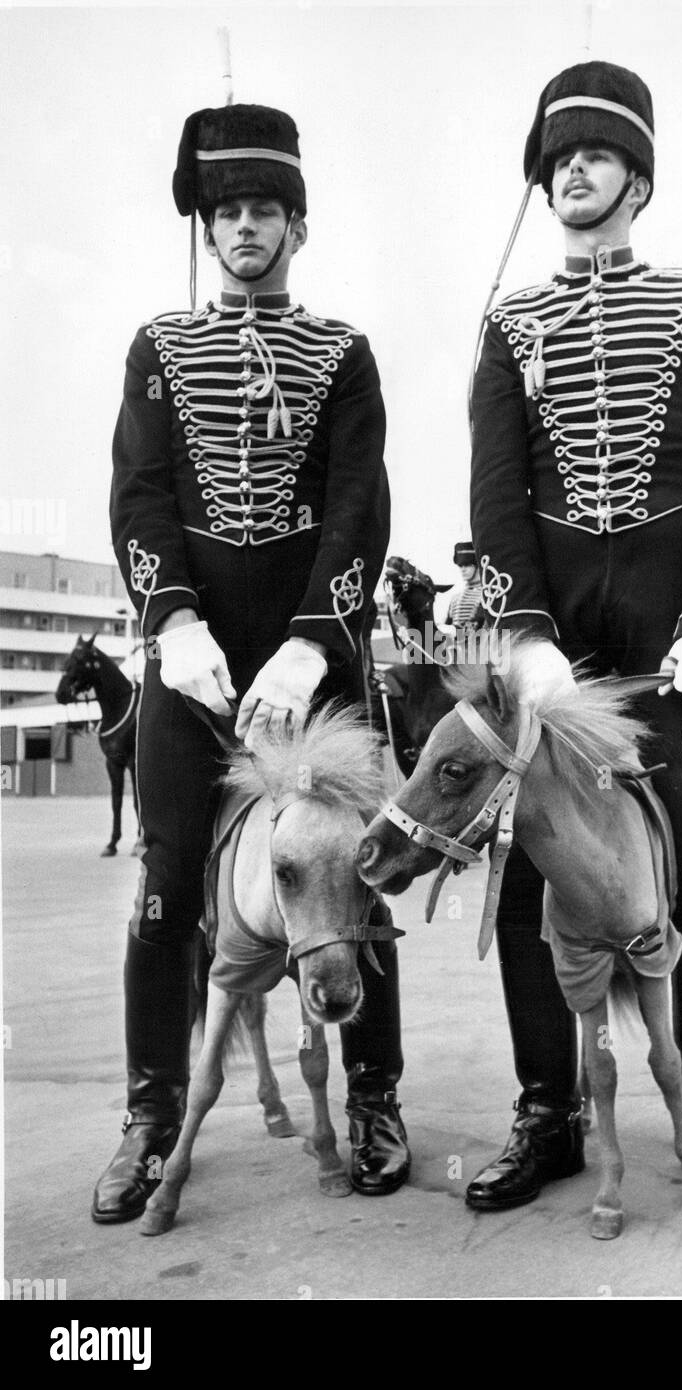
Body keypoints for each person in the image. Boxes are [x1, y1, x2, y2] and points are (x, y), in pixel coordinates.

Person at [468, 60, 682, 1214]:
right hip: (556, 654)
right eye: (559, 154)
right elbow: (499, 497)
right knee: (532, 874)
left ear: (637, 177)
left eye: (597, 152)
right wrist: (522, 631)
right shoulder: (509, 326)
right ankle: (548, 1110)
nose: (573, 168)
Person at [93, 103, 409, 1223]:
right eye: (226, 210)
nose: (243, 227)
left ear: (296, 225)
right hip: (190, 670)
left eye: (264, 209)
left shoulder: (345, 352)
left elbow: (358, 506)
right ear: (207, 226)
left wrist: (313, 644)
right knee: (170, 884)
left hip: (309, 666)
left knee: (351, 877)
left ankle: (373, 1093)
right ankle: (148, 1109)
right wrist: (173, 624)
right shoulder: (157, 350)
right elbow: (141, 495)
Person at [434, 542, 485, 637]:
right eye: (461, 566)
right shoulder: (455, 598)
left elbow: (479, 624)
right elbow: (448, 624)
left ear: (477, 566)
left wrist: (453, 631)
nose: (463, 569)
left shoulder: (485, 595)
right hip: (456, 646)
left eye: (467, 565)